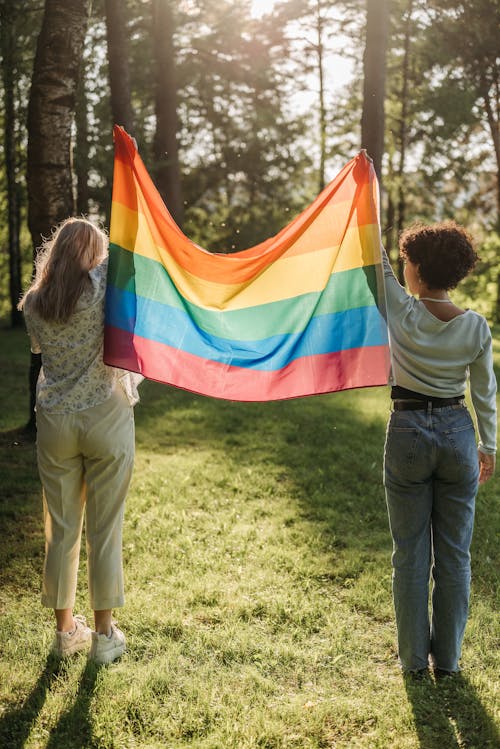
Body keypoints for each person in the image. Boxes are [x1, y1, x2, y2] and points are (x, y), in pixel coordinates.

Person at [19, 217, 142, 664]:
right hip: (105, 416)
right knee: (105, 530)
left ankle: (65, 631)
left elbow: (38, 350)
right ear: (91, 255)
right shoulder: (99, 286)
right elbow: (130, 254)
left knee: (61, 530)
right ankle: (104, 636)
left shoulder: (34, 303)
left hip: (54, 422)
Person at [381, 220, 496, 676]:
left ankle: (412, 663)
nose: (403, 267)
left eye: (408, 261)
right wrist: (488, 446)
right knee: (454, 554)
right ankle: (447, 662)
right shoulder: (476, 327)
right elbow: (485, 393)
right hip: (457, 435)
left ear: (419, 269)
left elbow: (376, 262)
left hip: (407, 429)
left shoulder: (402, 312)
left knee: (410, 553)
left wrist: (365, 191)